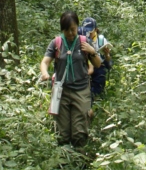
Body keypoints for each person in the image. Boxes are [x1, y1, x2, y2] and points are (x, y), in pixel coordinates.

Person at [40, 11, 101, 148]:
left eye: (73, 29)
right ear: (62, 29)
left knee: (79, 132)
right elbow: (45, 62)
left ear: (77, 27)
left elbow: (97, 64)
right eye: (67, 30)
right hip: (61, 92)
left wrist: (92, 51)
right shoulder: (56, 43)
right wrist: (45, 73)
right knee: (62, 133)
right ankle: (64, 162)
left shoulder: (85, 43)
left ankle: (80, 160)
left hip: (81, 91)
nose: (70, 33)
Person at [81, 16, 112, 101]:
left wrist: (107, 55)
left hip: (98, 69)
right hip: (84, 67)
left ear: (95, 29)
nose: (88, 34)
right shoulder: (81, 39)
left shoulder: (101, 40)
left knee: (96, 91)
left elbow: (109, 64)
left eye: (90, 31)